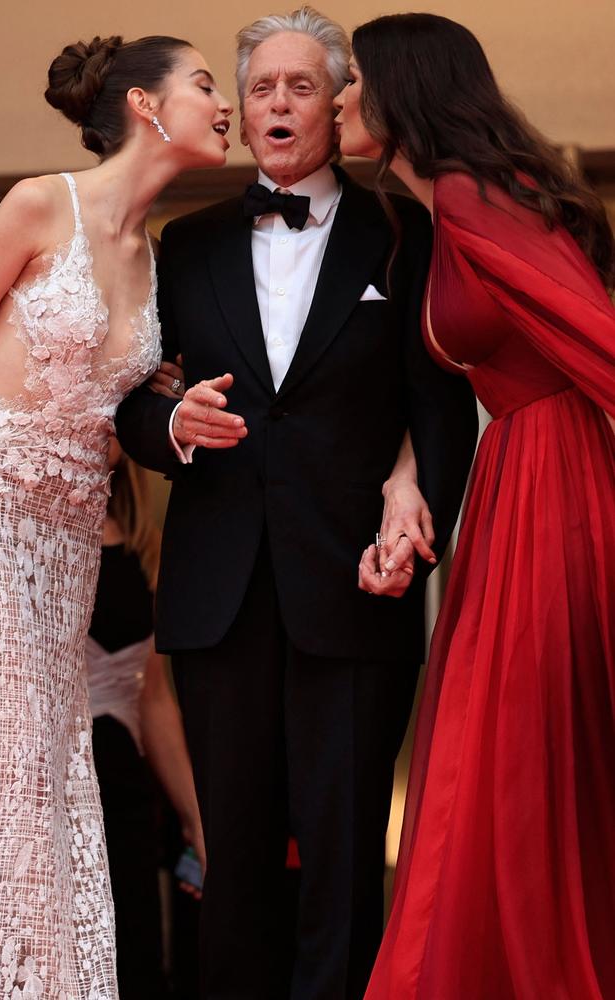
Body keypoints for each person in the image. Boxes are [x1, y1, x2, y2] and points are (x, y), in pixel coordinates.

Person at [115, 8, 478, 999]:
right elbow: (131, 406)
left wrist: (419, 526)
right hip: (216, 592)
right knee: (227, 854)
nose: (277, 102)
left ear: (339, 104)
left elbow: (439, 408)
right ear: (242, 105)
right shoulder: (179, 247)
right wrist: (171, 427)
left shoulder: (404, 236)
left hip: (356, 584)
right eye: (261, 87)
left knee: (348, 851)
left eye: (301, 85)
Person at [334, 12, 615, 999]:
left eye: (349, 81)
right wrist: (409, 478)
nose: (335, 100)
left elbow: (596, 339)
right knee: (500, 752)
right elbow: (474, 374)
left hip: (556, 487)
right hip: (513, 480)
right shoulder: (441, 208)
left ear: (399, 91)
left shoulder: (473, 198)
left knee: (523, 753)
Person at [0, 34, 232, 998]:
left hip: (74, 538)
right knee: (8, 772)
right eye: (206, 84)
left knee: (51, 770)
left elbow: (128, 408)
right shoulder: (41, 203)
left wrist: (172, 407)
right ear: (147, 107)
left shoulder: (157, 259)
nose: (226, 101)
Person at [88, 437, 205, 998]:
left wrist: (195, 821)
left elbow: (154, 700)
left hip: (125, 790)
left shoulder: (143, 546)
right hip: (44, 790)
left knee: (134, 960)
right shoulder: (13, 527)